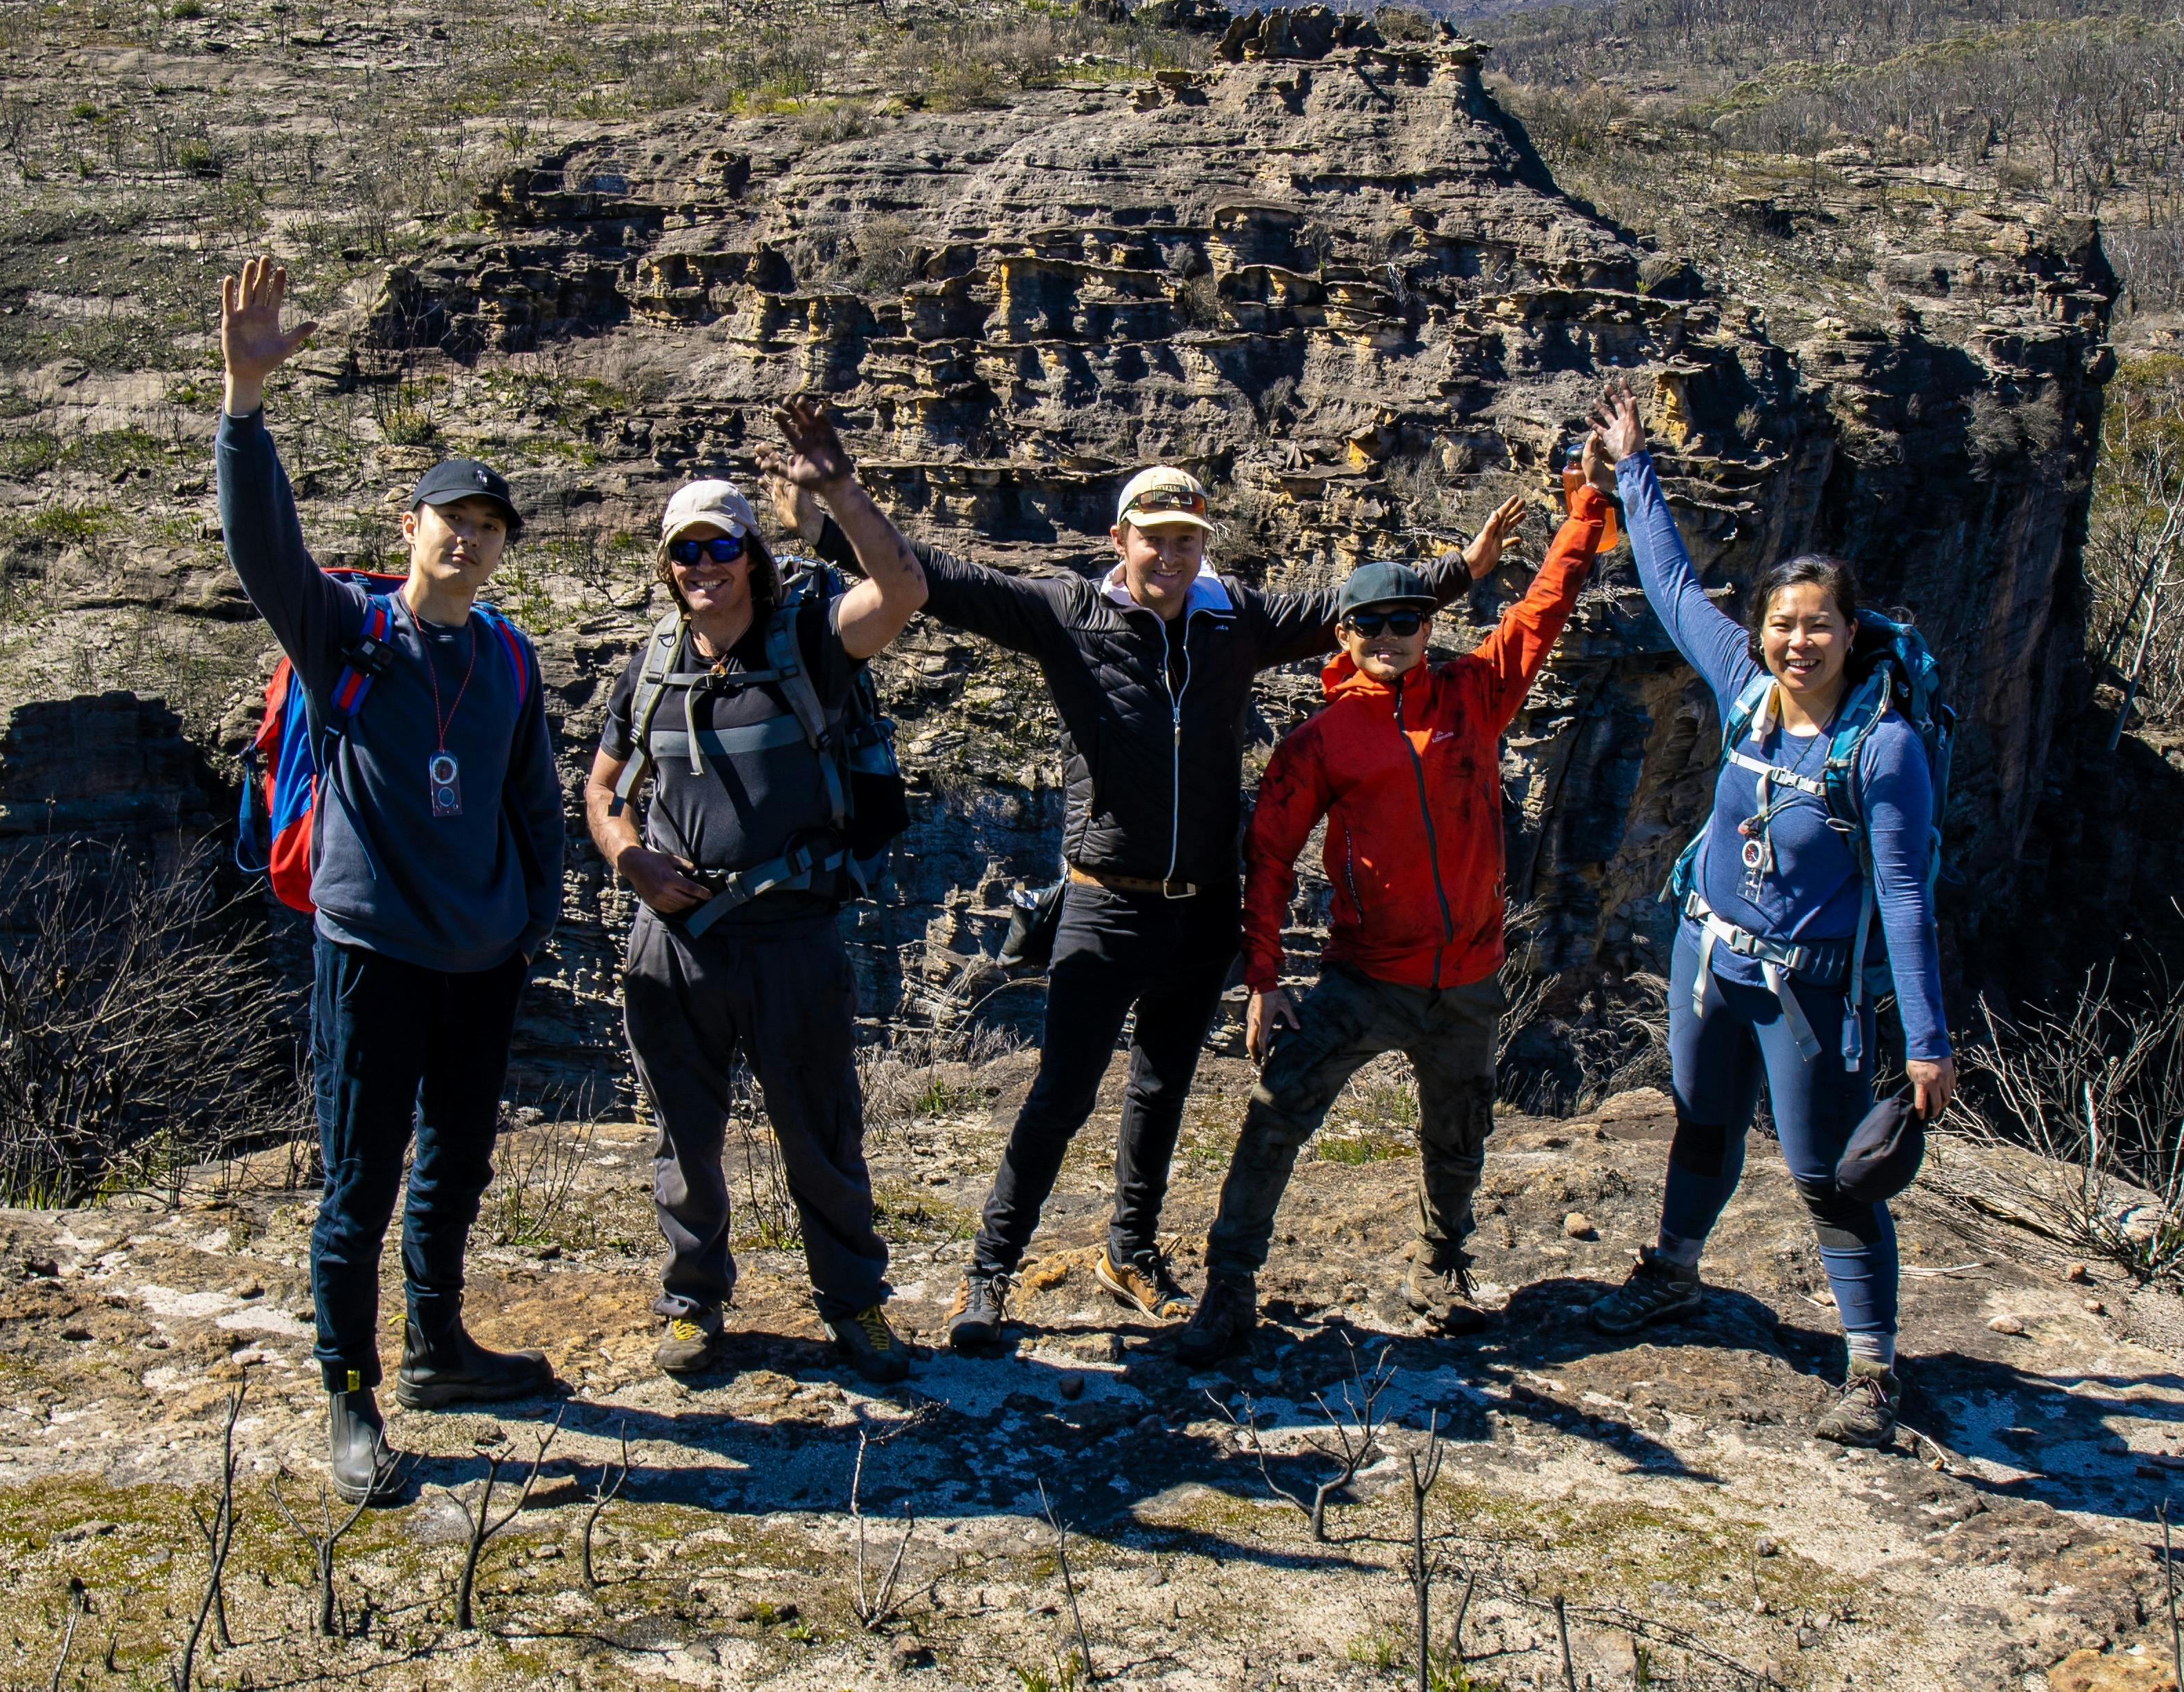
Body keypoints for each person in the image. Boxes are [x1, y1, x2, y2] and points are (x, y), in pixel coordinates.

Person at [925, 465, 1528, 1351]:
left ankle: (1128, 1252)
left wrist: (1461, 569)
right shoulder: (1071, 612)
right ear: (1119, 537)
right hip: (1105, 902)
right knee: (1061, 1093)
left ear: (1204, 541)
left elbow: (1352, 606)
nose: (1170, 552)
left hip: (1201, 909)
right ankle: (989, 1275)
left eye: (1187, 537)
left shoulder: (1231, 618)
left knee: (1163, 1088)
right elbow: (947, 582)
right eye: (1153, 535)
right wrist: (833, 523)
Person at [214, 255, 567, 1506]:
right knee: (359, 1177)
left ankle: (439, 1348)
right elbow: (262, 553)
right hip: (371, 951)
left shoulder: (511, 659)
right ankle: (349, 1391)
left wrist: (534, 911)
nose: (467, 537)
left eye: (488, 527)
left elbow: (532, 799)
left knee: (457, 1161)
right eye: (449, 518)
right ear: (406, 530)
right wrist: (244, 403)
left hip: (481, 955)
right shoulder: (346, 634)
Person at [1176, 458, 1616, 1362]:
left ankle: (1439, 1267)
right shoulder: (1321, 738)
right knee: (1274, 1115)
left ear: (1428, 625)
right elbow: (1265, 857)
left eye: (1406, 619)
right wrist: (1263, 980)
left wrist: (1589, 509)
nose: (1390, 634)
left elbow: (1541, 608)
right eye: (1371, 621)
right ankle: (1228, 1289)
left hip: (1466, 979)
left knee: (1457, 1131)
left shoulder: (1473, 693)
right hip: (1363, 977)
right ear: (1343, 630)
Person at [1583, 385, 1956, 1449]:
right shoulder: (1745, 691)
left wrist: (1925, 1040)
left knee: (1825, 1174)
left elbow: (1902, 893)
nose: (1799, 642)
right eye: (1783, 624)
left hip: (1809, 983)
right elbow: (1667, 585)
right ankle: (1674, 1270)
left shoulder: (1881, 750)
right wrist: (1633, 468)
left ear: (1849, 630)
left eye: (1818, 625)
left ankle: (1874, 1369)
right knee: (1700, 1118)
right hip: (1710, 950)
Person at [583, 400, 928, 1384]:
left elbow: (900, 591)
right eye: (686, 548)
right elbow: (601, 786)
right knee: (683, 1136)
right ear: (667, 562)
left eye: (721, 544)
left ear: (750, 552)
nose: (704, 564)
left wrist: (834, 489)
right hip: (674, 943)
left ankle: (854, 1304)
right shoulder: (648, 663)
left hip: (791, 937)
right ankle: (693, 1304)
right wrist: (626, 856)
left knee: (819, 1131)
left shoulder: (808, 639)